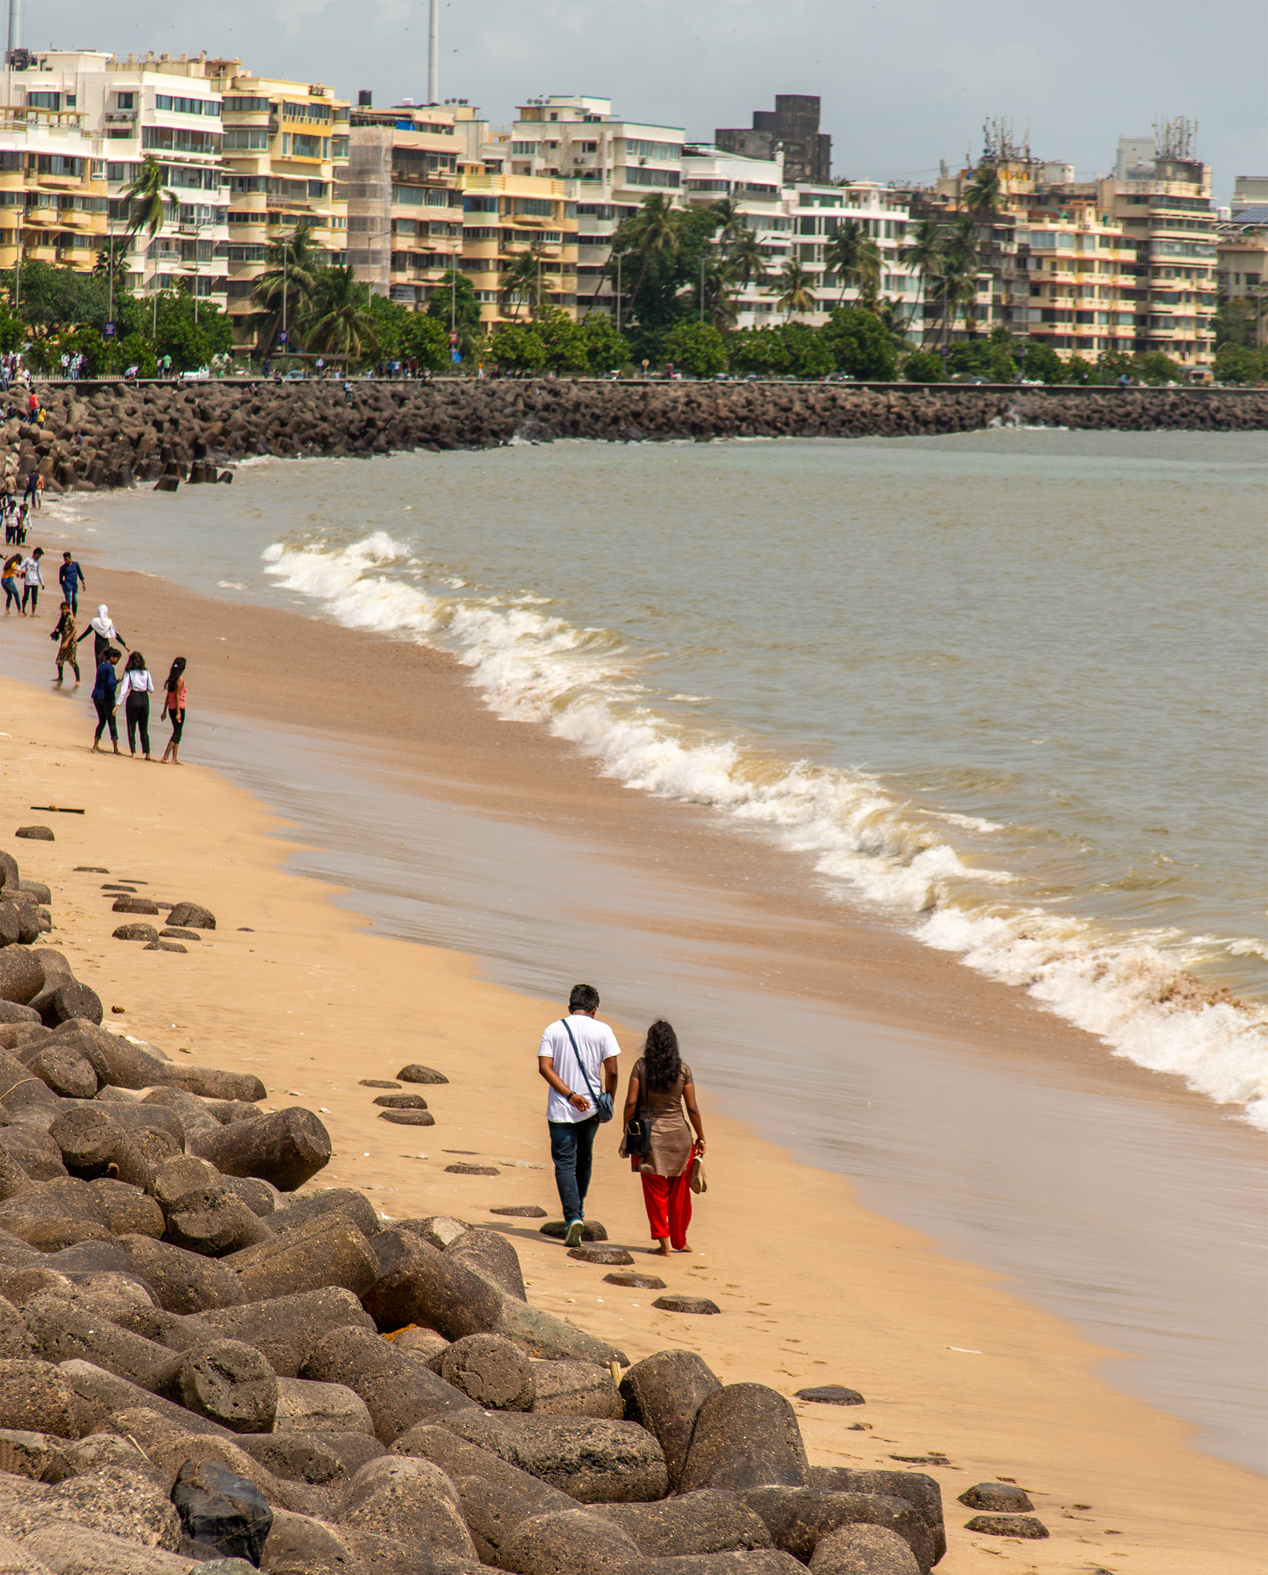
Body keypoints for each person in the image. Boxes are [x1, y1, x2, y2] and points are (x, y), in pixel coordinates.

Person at [537, 984, 619, 1247]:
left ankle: (572, 1217)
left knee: (564, 1163)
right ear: (594, 1009)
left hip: (561, 1109)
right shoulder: (603, 1030)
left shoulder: (553, 1029)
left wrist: (570, 1095)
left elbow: (544, 1068)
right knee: (584, 1159)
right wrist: (608, 1098)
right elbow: (613, 1071)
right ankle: (578, 1211)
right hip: (592, 1110)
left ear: (570, 1006)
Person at [620, 1020, 706, 1256]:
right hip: (680, 1138)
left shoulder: (641, 1067)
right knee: (680, 1194)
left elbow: (630, 1102)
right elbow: (692, 1108)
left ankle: (664, 1244)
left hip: (651, 1140)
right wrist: (701, 1137)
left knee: (656, 1193)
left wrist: (626, 1128)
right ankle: (681, 1241)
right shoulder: (683, 1070)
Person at [119, 650, 155, 759]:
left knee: (131, 725)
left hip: (133, 697)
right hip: (144, 698)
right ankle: (147, 752)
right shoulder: (146, 673)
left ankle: (133, 752)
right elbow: (151, 689)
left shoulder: (129, 673)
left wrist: (117, 704)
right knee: (144, 727)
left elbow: (124, 690)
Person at [90, 646, 122, 754]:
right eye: (117, 659)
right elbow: (109, 684)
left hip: (97, 696)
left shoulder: (100, 666)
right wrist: (118, 680)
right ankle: (115, 748)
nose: (117, 662)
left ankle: (95, 744)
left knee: (102, 721)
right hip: (106, 697)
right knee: (112, 722)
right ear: (112, 657)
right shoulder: (110, 668)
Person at [160, 656, 187, 764]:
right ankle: (165, 757)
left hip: (171, 708)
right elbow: (177, 696)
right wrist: (178, 713)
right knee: (177, 732)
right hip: (178, 707)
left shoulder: (172, 679)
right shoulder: (180, 680)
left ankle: (174, 758)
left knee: (177, 732)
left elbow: (168, 697)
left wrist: (164, 711)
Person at [50, 601, 80, 684]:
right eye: (63, 609)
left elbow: (75, 630)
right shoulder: (63, 618)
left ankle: (78, 680)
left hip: (71, 643)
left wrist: (67, 641)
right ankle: (60, 678)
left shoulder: (70, 618)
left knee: (72, 660)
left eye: (66, 609)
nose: (64, 611)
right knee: (59, 659)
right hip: (64, 643)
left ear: (69, 609)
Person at [20, 546, 44, 614]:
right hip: (28, 581)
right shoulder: (28, 560)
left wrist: (42, 583)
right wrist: (18, 572)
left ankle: (33, 612)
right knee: (26, 596)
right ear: (36, 554)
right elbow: (21, 566)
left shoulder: (37, 562)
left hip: (35, 582)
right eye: (40, 555)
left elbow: (39, 573)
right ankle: (23, 610)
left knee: (34, 597)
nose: (40, 557)